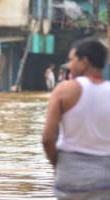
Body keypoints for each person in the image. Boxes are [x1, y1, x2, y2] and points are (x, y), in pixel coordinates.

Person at [42, 38, 110, 199]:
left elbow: (47, 139)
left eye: (72, 59)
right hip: (105, 176)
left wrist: (58, 165)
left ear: (84, 62)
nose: (70, 64)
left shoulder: (64, 90)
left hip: (70, 174)